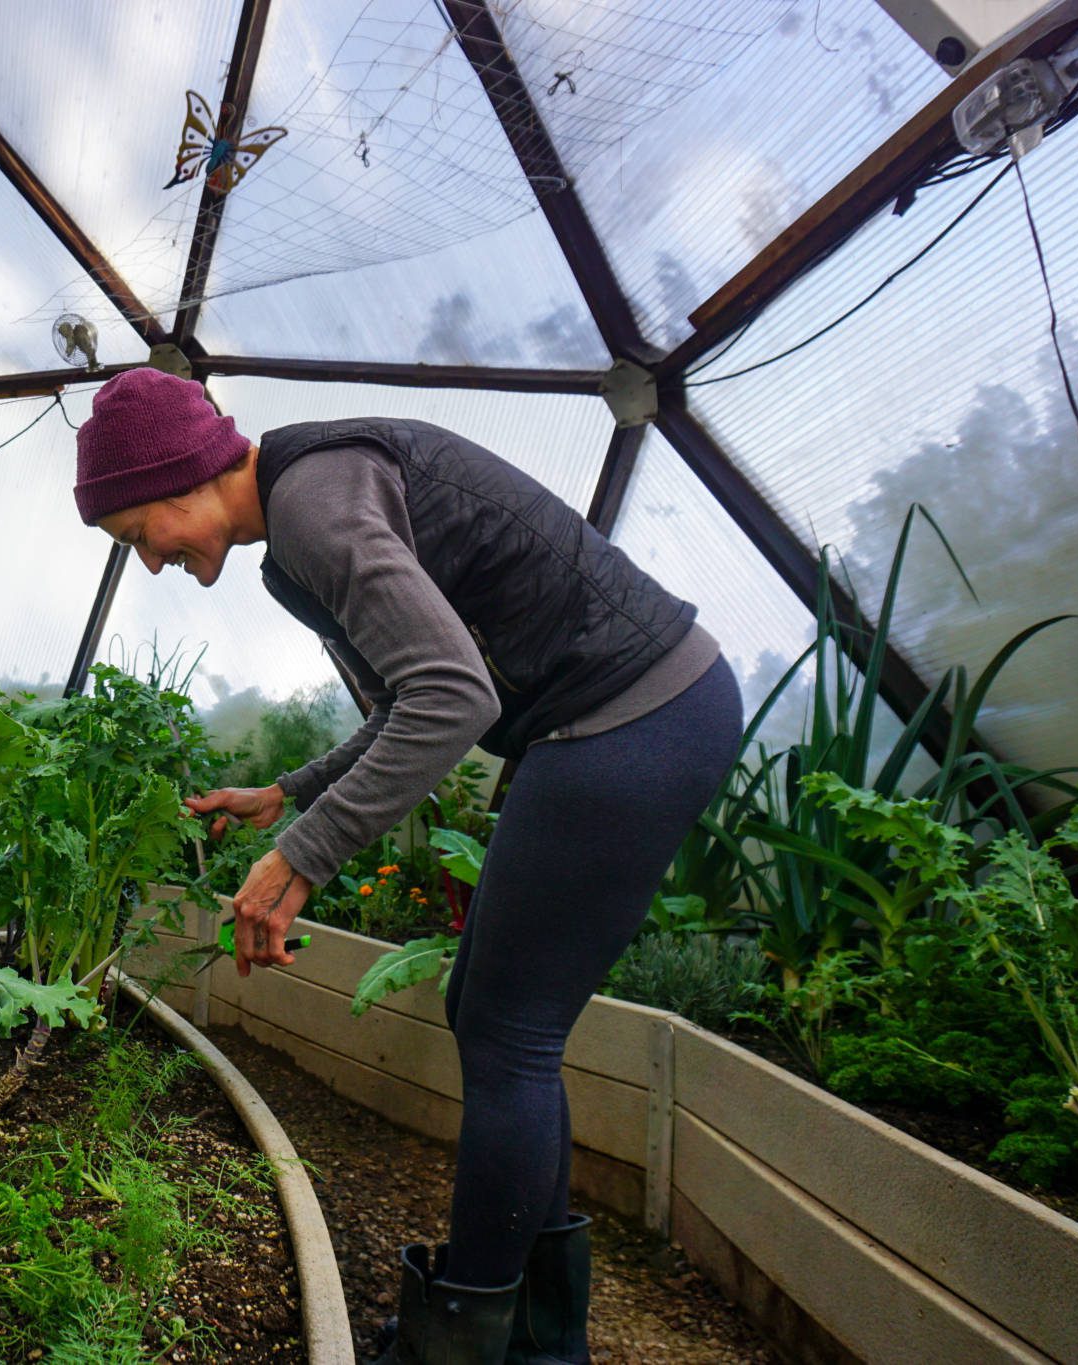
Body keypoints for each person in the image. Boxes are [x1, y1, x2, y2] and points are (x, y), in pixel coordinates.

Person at [73, 367, 741, 1365]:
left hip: (629, 715)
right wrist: (289, 794)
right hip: (621, 717)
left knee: (505, 1029)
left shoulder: (313, 506)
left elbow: (449, 697)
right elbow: (410, 696)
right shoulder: (301, 518)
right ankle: (532, 1337)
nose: (153, 562)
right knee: (496, 1016)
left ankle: (458, 1348)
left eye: (137, 538)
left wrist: (299, 857)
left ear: (178, 483)